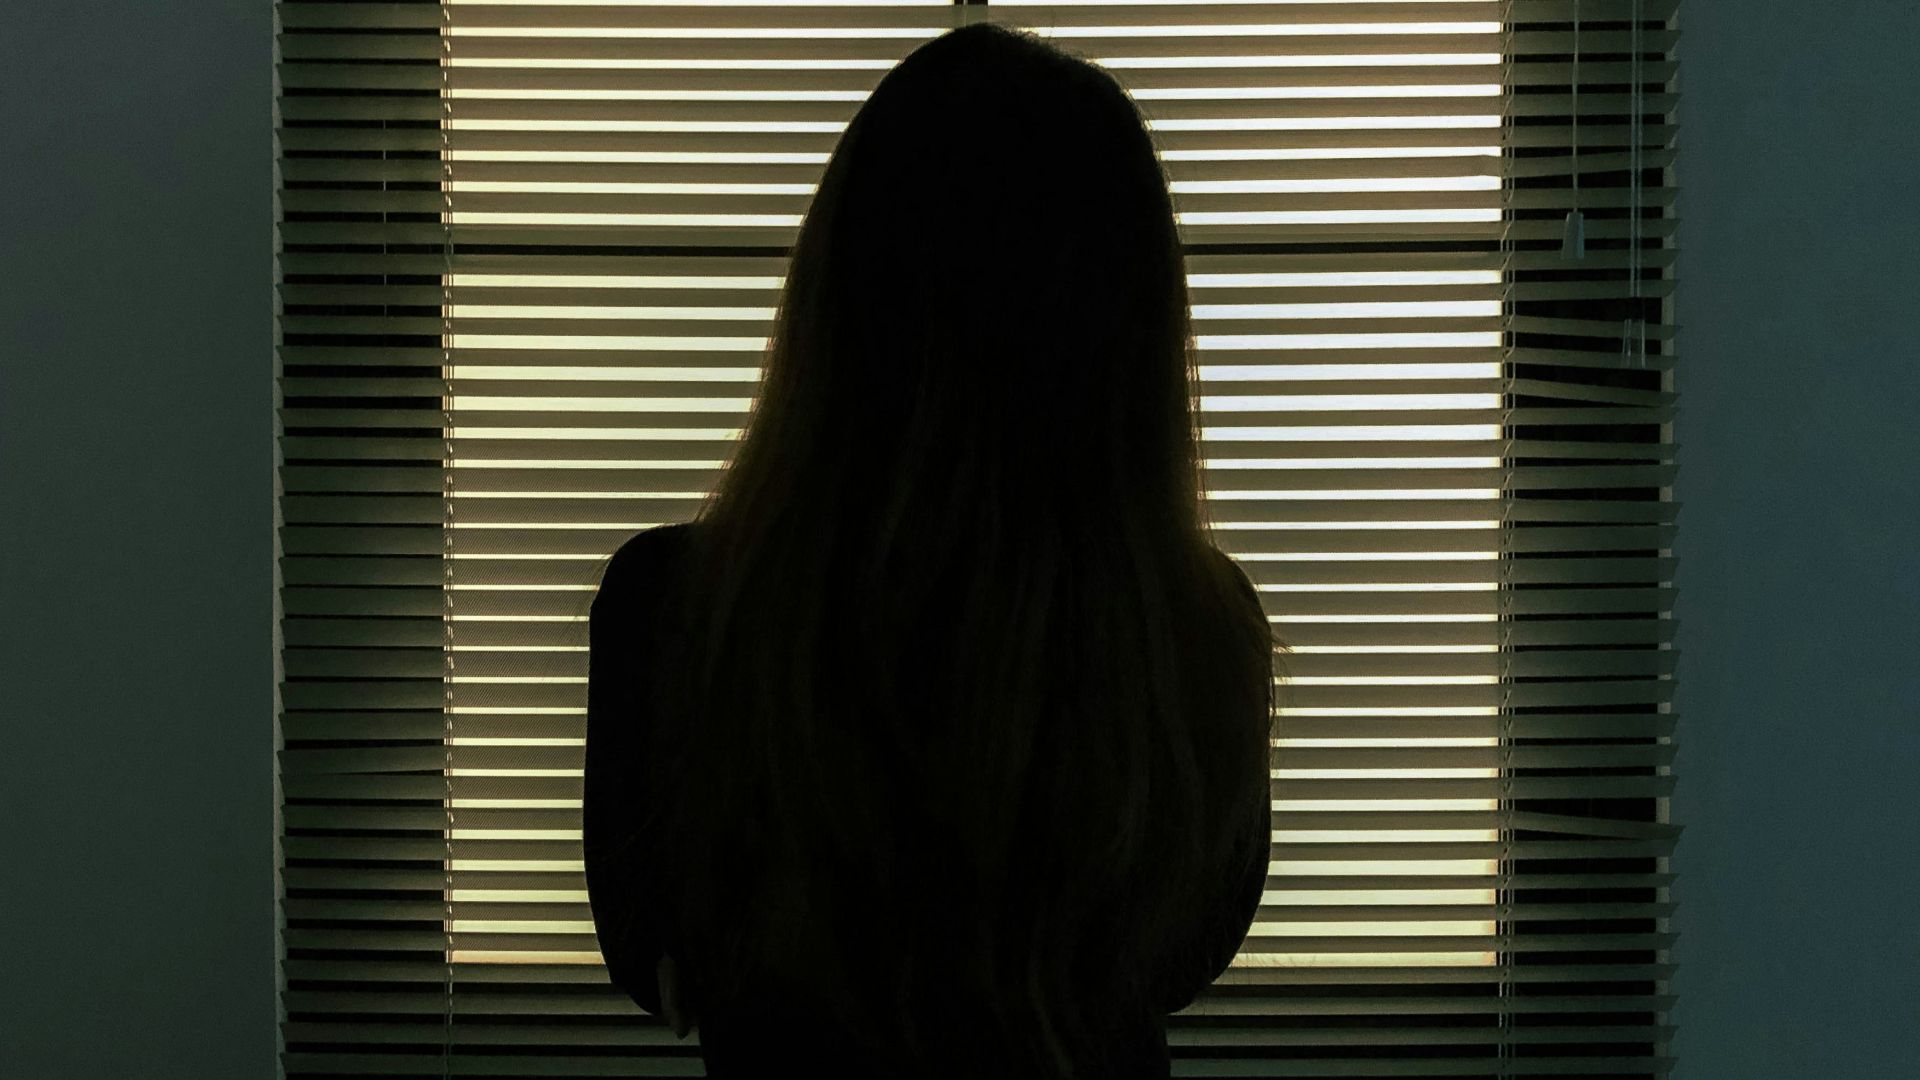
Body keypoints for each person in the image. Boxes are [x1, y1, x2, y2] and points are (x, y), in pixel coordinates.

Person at [584, 20, 1280, 1080]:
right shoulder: (1203, 632)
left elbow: (658, 964)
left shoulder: (672, 607)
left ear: (838, 288)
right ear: (1132, 328)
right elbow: (1181, 958)